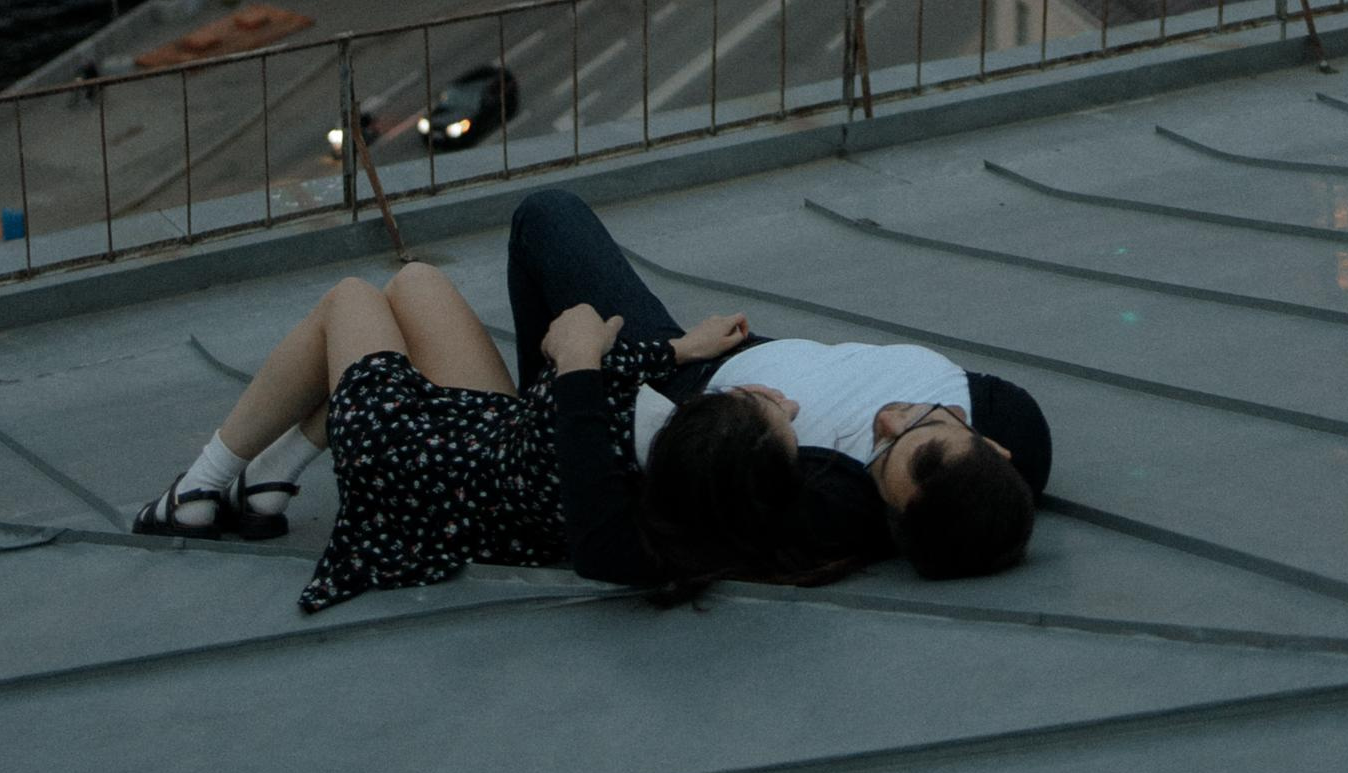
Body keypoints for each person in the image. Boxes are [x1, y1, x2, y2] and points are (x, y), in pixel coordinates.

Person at [130, 259, 799, 614]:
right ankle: (272, 484)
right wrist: (681, 350)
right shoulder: (671, 490)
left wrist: (581, 349)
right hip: (490, 454)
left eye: (772, 410)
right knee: (417, 282)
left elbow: (579, 359)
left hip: (414, 463)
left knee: (352, 299)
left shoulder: (610, 434)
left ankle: (198, 488)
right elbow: (596, 400)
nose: (785, 403)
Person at [506, 190, 1051, 591]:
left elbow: (608, 550)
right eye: (932, 421)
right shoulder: (1012, 441)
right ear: (997, 451)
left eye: (884, 451)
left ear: (893, 518)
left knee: (547, 216)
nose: (886, 420)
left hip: (677, 385)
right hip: (712, 351)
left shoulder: (830, 509)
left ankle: (532, 423)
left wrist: (578, 370)